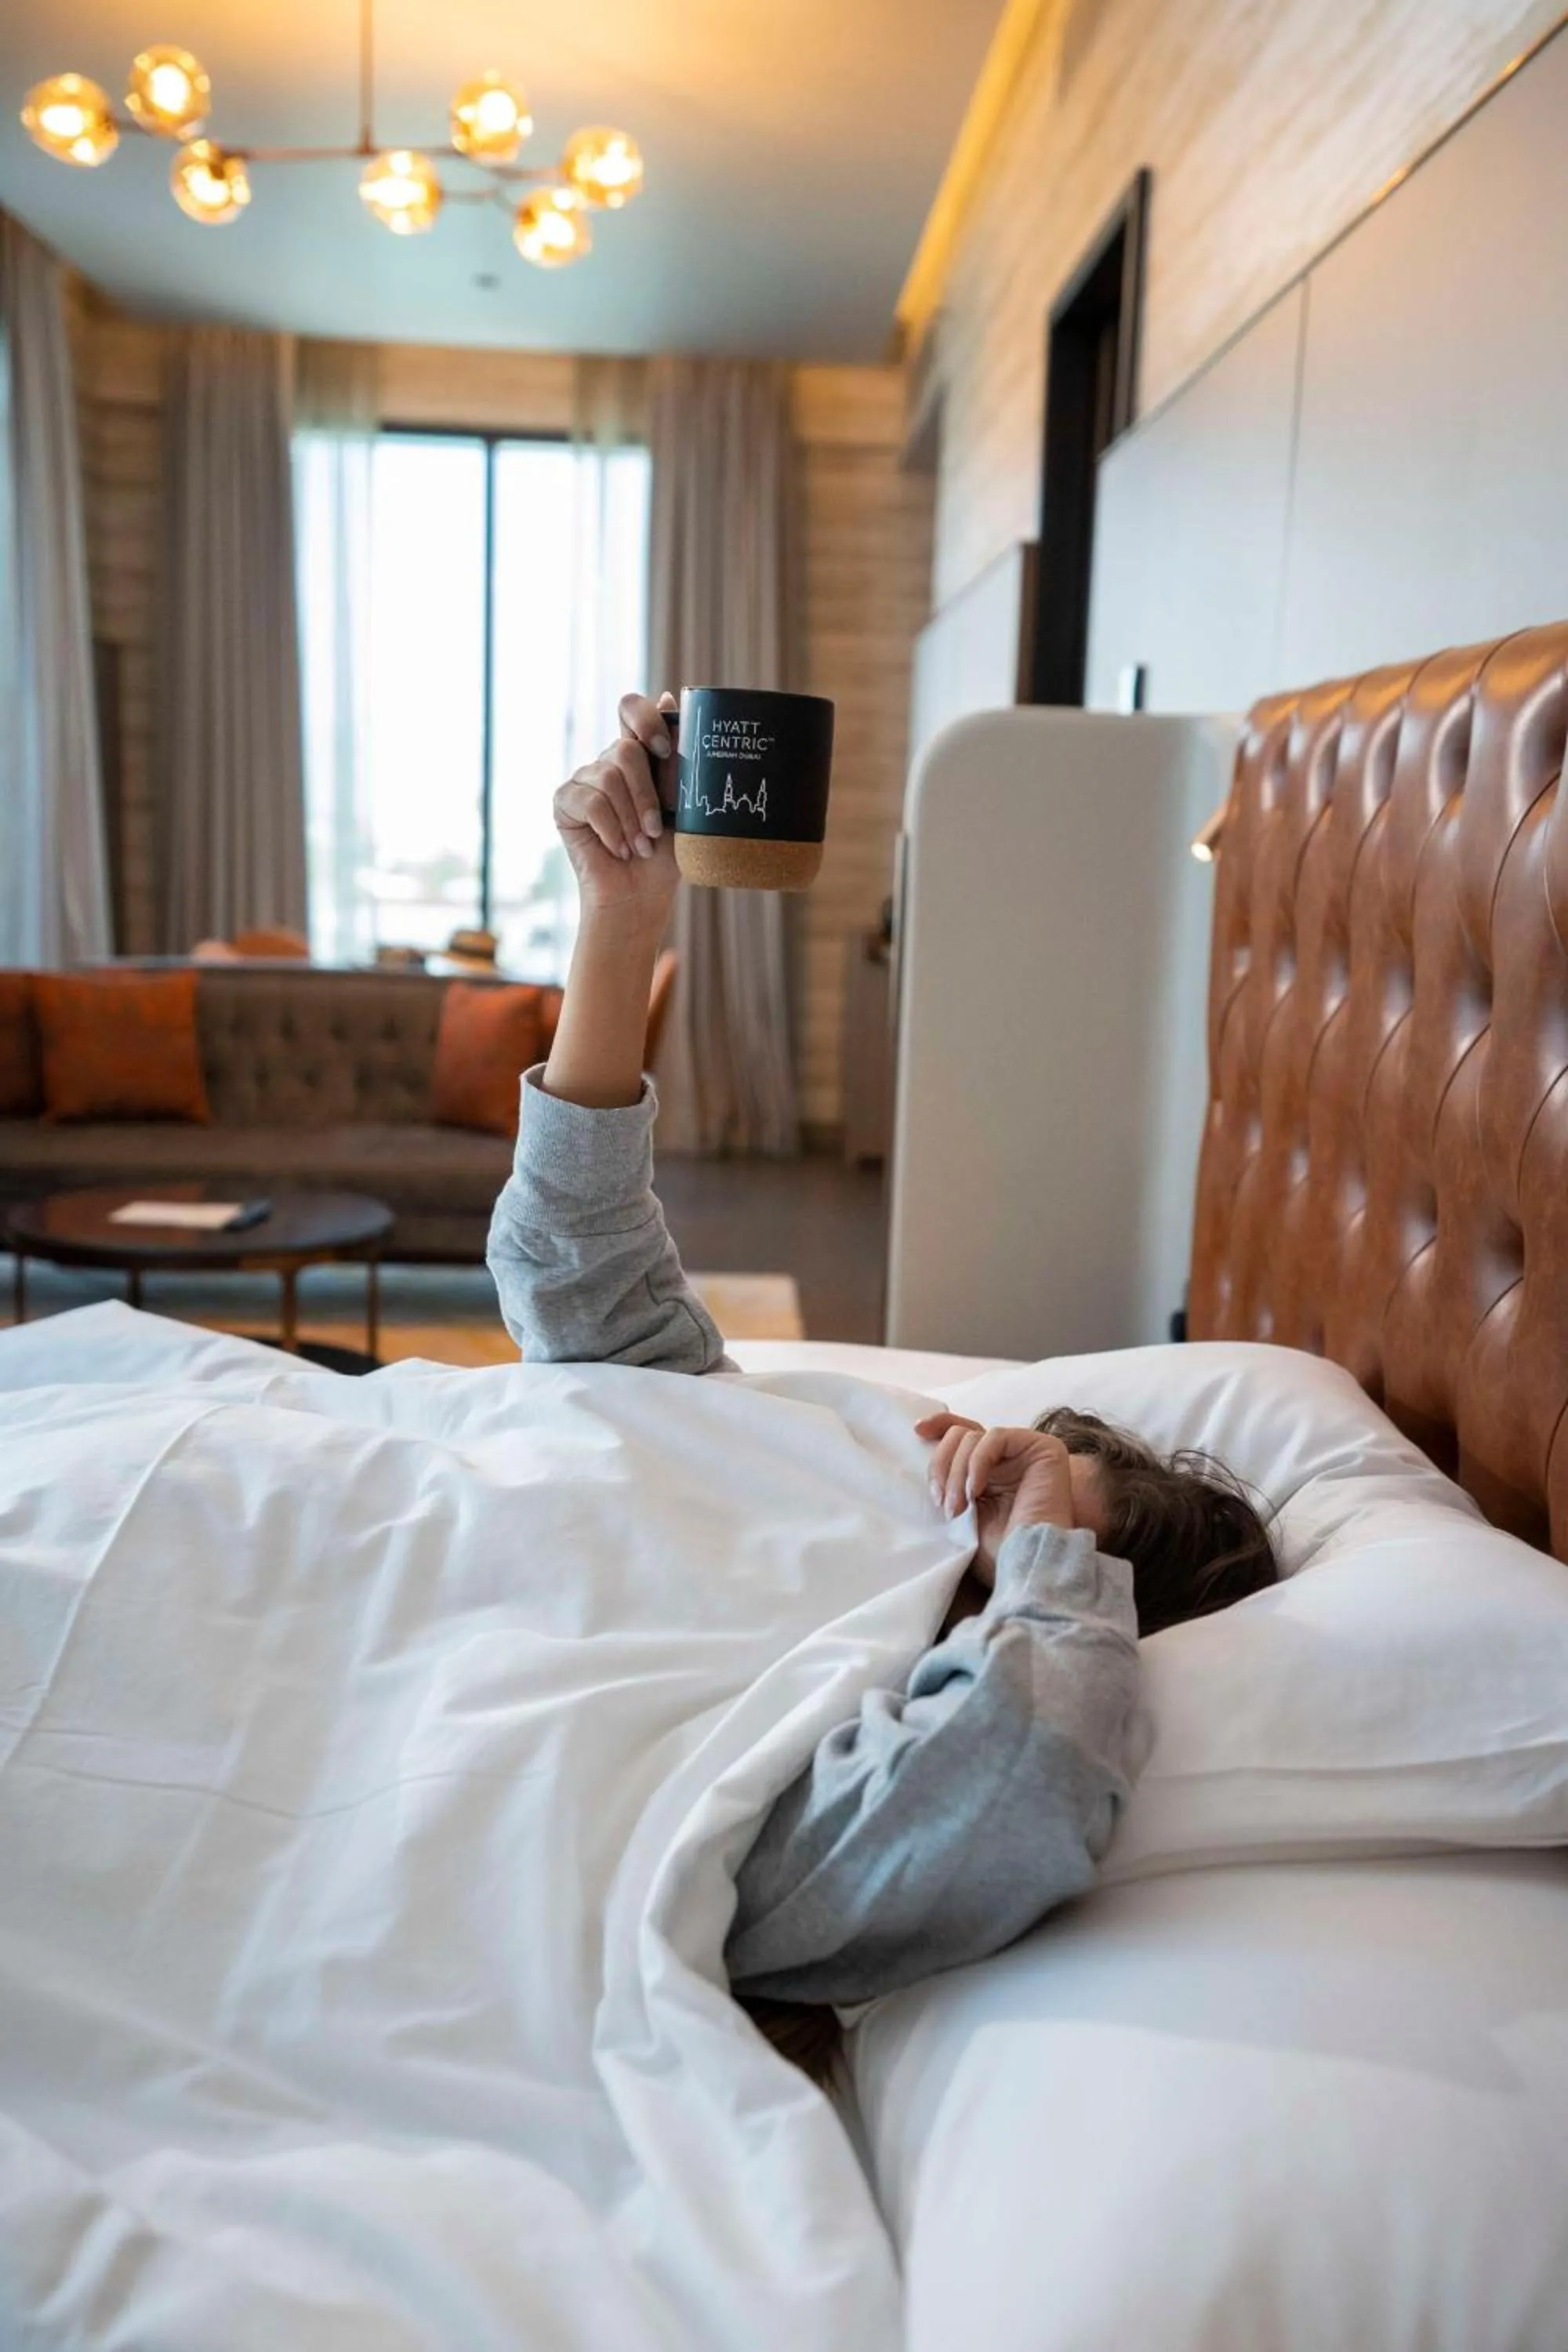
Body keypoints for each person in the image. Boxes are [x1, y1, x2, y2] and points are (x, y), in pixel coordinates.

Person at [487, 691, 1277, 2025]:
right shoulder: (816, 1467)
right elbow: (582, 1291)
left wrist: (1037, 1548)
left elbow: (1023, 1779)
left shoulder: (834, 1754)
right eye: (1003, 1460)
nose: (969, 1478)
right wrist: (619, 922)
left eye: (1015, 1503)